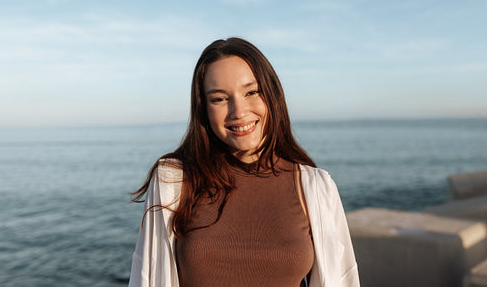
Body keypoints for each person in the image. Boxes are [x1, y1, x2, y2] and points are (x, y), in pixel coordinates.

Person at [128, 37, 359, 287]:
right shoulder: (173, 180)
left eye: (251, 92)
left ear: (272, 95)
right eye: (219, 98)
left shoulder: (315, 186)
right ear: (203, 108)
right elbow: (148, 279)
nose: (238, 111)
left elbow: (341, 279)